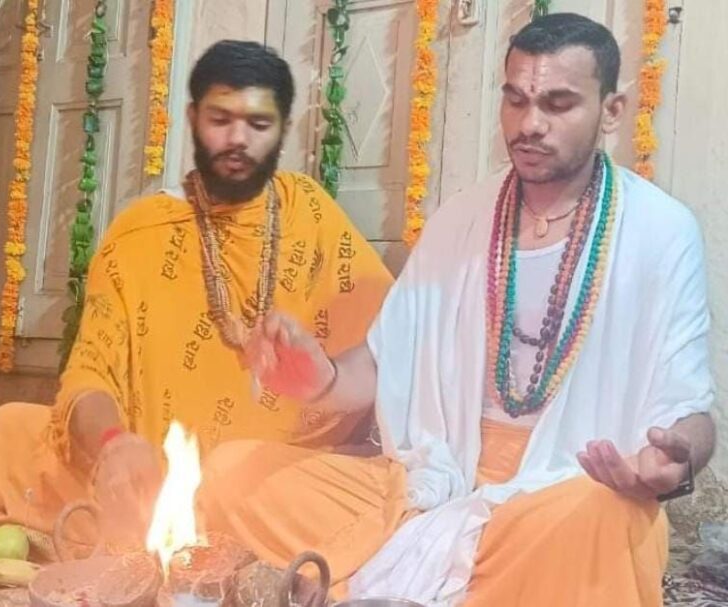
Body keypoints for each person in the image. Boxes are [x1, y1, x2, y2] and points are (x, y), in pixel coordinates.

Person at [210, 13, 716, 606]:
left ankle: (399, 582)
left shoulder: (660, 230)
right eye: (516, 100)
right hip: (433, 485)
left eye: (557, 103)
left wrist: (678, 459)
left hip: (557, 504)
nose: (530, 124)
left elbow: (691, 411)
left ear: (612, 110)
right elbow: (385, 361)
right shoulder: (463, 217)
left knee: (608, 515)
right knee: (230, 473)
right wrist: (317, 377)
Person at [0, 40, 394, 549]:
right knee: (8, 430)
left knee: (241, 475)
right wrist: (113, 443)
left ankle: (182, 531)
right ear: (193, 118)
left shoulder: (310, 214)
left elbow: (398, 347)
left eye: (258, 124)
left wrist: (319, 370)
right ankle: (191, 530)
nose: (237, 139)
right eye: (221, 119)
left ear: (283, 128)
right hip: (148, 473)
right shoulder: (141, 231)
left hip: (264, 478)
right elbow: (90, 371)